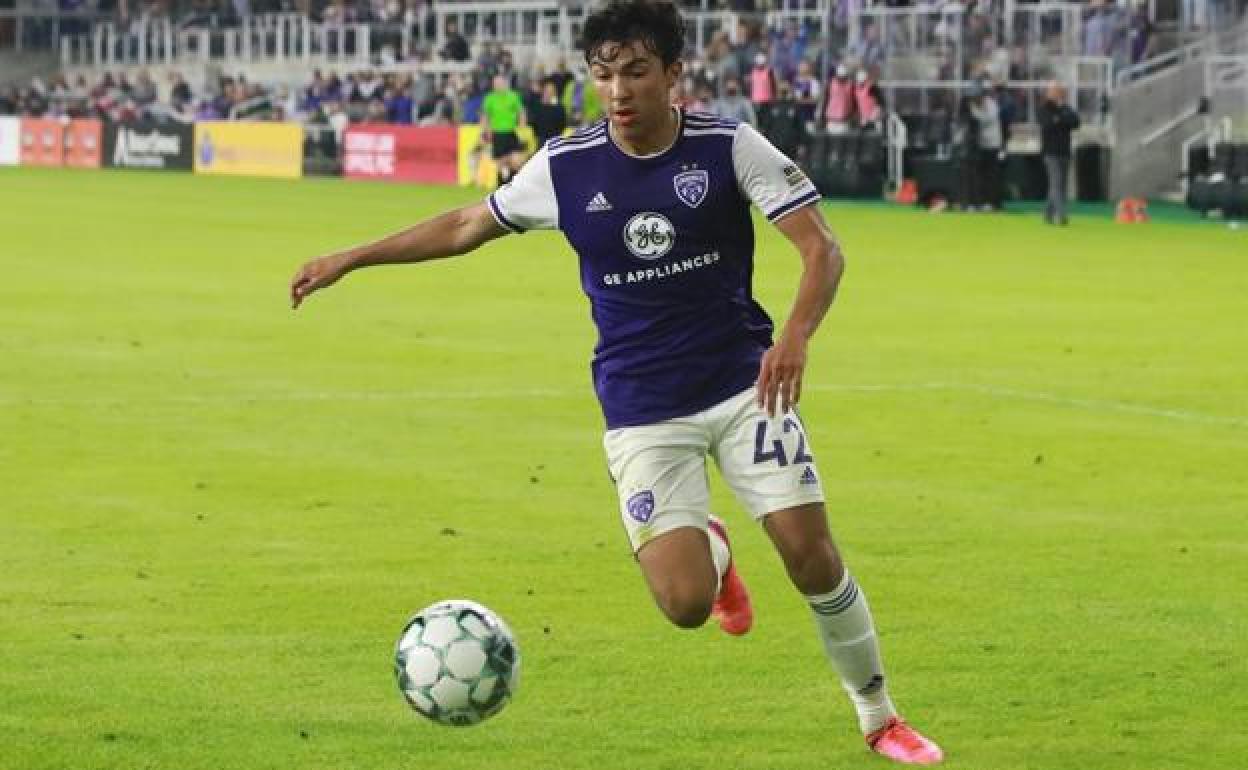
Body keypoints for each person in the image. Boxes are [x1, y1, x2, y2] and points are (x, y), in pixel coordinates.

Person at [289, 2, 943, 765]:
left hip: (744, 387)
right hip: (642, 409)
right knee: (686, 605)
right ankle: (714, 555)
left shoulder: (729, 147)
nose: (619, 90)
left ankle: (879, 718)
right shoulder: (566, 167)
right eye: (604, 75)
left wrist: (794, 336)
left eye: (636, 72)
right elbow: (467, 225)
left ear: (673, 74)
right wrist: (350, 258)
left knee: (811, 555)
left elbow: (821, 248)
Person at [1040, 82, 1080, 226]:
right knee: (1056, 183)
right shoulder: (1044, 108)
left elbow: (1076, 122)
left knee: (1060, 185)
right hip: (1050, 152)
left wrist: (1060, 119)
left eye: (1059, 91)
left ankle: (1048, 214)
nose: (1058, 93)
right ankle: (1062, 214)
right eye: (1055, 91)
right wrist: (1062, 120)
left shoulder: (1066, 108)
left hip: (1064, 151)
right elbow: (1048, 124)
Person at [480, 74, 527, 186]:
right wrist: (485, 131)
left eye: (499, 83)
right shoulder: (490, 98)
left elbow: (521, 111)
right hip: (497, 134)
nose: (497, 86)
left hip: (511, 133)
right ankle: (502, 187)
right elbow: (485, 116)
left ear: (505, 84)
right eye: (495, 84)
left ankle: (513, 184)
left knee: (516, 161)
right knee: (501, 164)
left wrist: (522, 126)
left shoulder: (513, 96)